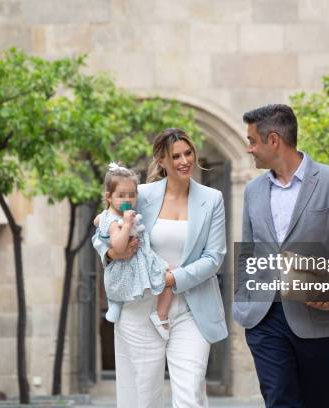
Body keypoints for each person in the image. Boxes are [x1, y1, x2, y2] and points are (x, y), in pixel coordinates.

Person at [232, 104, 329, 408]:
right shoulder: (254, 190)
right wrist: (243, 295)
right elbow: (248, 249)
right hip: (263, 316)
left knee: (316, 400)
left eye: (252, 141)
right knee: (279, 398)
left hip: (315, 314)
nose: (249, 149)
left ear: (274, 140)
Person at [92, 128, 228, 408]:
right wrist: (112, 254)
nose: (184, 160)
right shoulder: (140, 194)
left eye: (188, 153)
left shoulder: (212, 199)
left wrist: (170, 279)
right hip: (142, 308)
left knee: (190, 393)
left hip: (193, 308)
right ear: (161, 161)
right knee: (142, 396)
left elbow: (214, 258)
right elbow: (104, 229)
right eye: (175, 156)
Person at [95, 162, 174, 339]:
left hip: (141, 258)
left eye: (131, 195)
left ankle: (160, 314)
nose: (127, 199)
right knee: (166, 278)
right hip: (125, 265)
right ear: (109, 197)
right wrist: (127, 224)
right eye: (121, 195)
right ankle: (157, 315)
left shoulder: (121, 214)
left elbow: (98, 220)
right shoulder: (115, 221)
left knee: (169, 277)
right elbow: (119, 246)